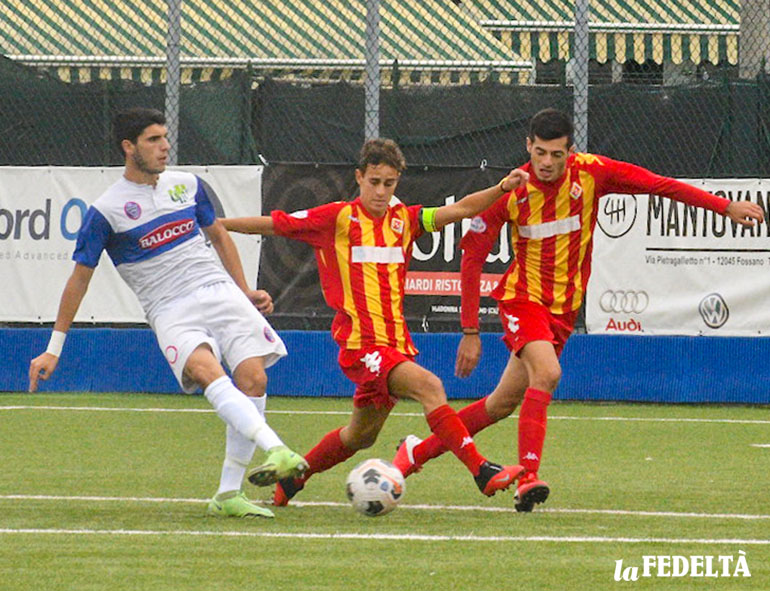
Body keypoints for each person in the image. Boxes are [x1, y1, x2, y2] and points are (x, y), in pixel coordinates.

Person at [392, 108, 765, 512]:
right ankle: (529, 477)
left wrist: (723, 207)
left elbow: (658, 186)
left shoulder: (593, 173)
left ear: (571, 151)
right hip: (524, 299)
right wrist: (469, 330)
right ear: (528, 148)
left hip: (564, 309)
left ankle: (415, 454)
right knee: (548, 373)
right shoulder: (511, 192)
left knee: (501, 404)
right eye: (539, 153)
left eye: (556, 154)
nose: (547, 163)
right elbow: (472, 258)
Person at [28, 107, 308, 519]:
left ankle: (229, 493)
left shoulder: (188, 186)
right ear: (129, 147)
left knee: (254, 378)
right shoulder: (105, 211)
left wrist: (244, 290)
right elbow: (79, 280)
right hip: (170, 309)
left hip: (219, 292)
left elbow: (218, 237)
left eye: (165, 138)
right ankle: (278, 450)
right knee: (207, 371)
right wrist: (54, 347)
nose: (165, 147)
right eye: (153, 140)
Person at [222, 138, 530, 506]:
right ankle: (482, 472)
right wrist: (216, 224)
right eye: (374, 182)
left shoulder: (406, 220)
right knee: (430, 387)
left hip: (396, 345)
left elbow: (461, 209)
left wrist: (501, 188)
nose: (381, 191)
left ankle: (295, 478)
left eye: (389, 183)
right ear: (359, 177)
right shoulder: (338, 218)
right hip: (361, 346)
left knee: (359, 436)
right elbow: (274, 224)